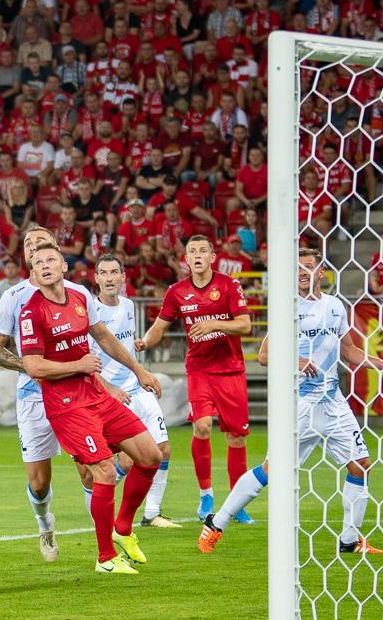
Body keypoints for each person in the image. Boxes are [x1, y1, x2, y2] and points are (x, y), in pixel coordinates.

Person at [200, 249, 383, 555]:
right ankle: (216, 522)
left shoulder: (335, 306)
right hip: (299, 404)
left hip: (333, 402)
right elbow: (264, 356)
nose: (301, 272)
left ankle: (350, 540)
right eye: (297, 268)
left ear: (321, 272)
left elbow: (349, 351)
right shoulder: (289, 309)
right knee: (271, 470)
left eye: (308, 267)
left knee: (361, 465)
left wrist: (379, 363)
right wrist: (296, 361)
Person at [20, 243, 163, 574]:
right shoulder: (32, 312)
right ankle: (105, 558)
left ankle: (122, 529)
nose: (45, 265)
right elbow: (33, 366)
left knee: (151, 456)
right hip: (67, 406)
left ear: (63, 267)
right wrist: (78, 365)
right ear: (33, 272)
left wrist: (138, 371)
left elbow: (104, 337)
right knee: (105, 471)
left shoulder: (80, 296)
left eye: (51, 259)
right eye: (38, 262)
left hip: (96, 395)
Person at [0, 226, 98, 563]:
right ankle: (45, 524)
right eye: (27, 244)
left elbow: (98, 339)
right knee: (38, 483)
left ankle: (106, 544)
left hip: (76, 392)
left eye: (40, 241)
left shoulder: (78, 293)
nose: (33, 246)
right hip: (33, 395)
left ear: (56, 252)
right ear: (26, 257)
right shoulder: (14, 296)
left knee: (89, 469)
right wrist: (34, 367)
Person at [136, 235, 253, 522]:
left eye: (203, 250)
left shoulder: (229, 285)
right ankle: (206, 496)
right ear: (186, 259)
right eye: (192, 251)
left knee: (236, 437)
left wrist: (213, 324)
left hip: (231, 369)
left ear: (213, 257)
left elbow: (245, 325)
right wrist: (145, 341)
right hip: (199, 369)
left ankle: (237, 505)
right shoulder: (176, 292)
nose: (198, 255)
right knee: (202, 426)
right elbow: (159, 327)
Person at [90, 255, 179, 528]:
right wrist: (109, 389)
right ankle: (102, 498)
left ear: (123, 277)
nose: (109, 278)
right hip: (113, 394)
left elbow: (124, 348)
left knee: (163, 449)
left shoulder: (129, 306)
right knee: (129, 460)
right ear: (96, 278)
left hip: (137, 388)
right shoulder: (91, 312)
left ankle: (151, 512)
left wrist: (140, 365)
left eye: (114, 272)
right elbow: (86, 360)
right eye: (104, 273)